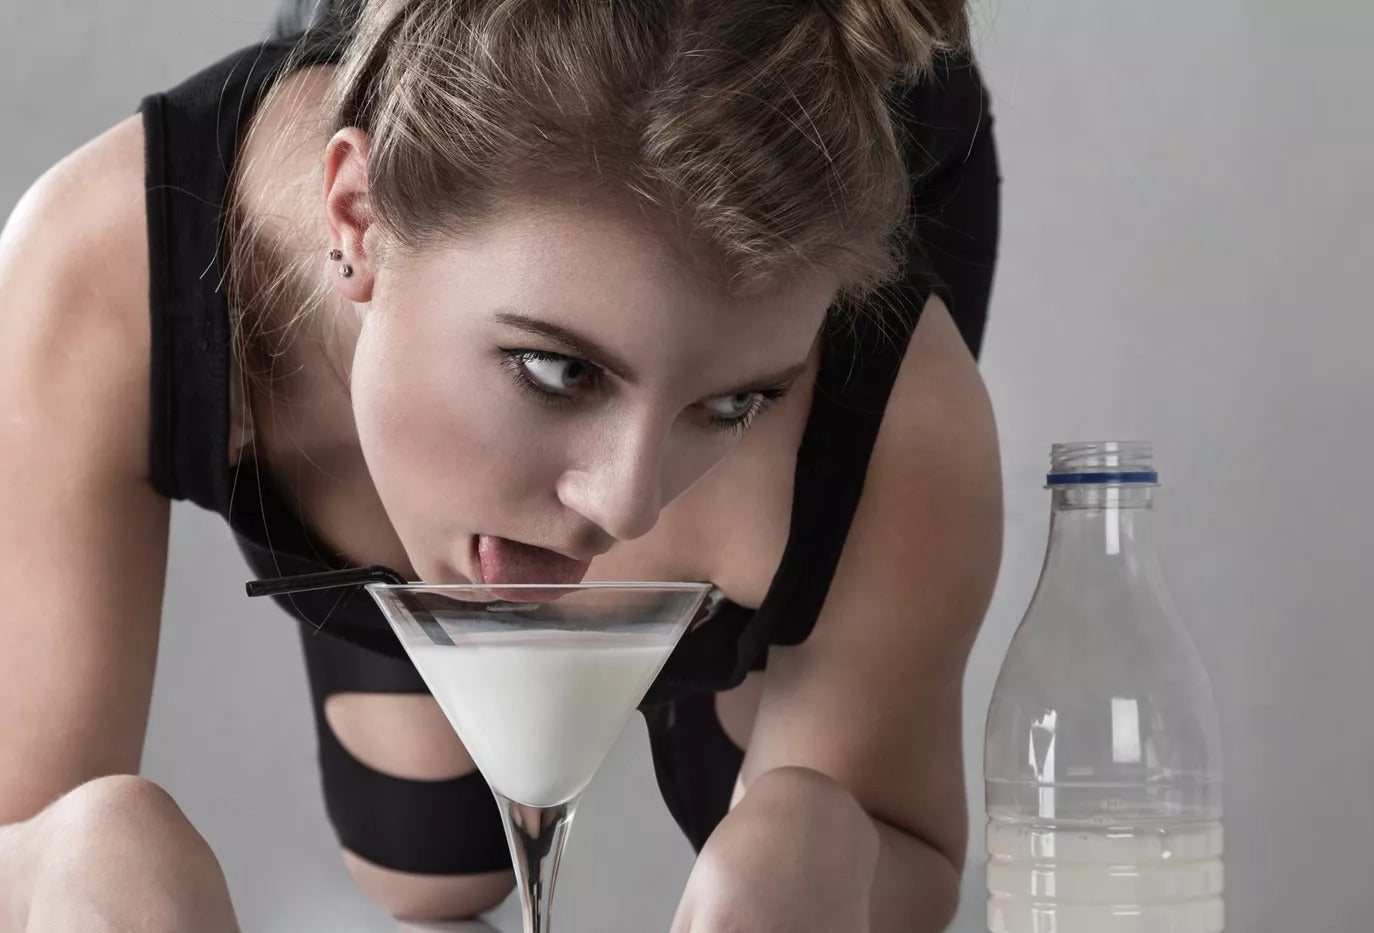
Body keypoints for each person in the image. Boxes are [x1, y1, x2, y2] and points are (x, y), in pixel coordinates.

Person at [0, 0, 1002, 929]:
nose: (626, 508)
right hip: (426, 198)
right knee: (429, 870)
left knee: (769, 867)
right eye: (556, 369)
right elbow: (19, 831)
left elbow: (908, 840)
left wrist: (819, 835)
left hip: (835, 162)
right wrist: (85, 848)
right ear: (353, 217)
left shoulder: (896, 406)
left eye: (733, 402)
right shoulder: (104, 261)